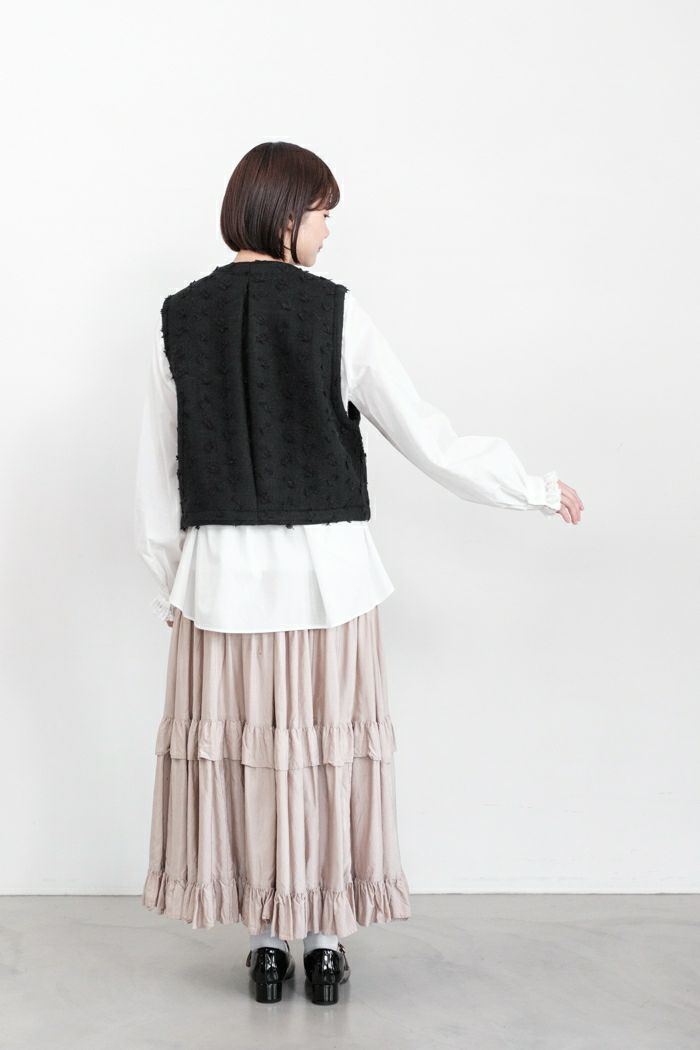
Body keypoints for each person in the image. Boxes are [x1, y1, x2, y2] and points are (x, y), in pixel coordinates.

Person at [134, 140, 584, 1006]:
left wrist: (171, 583)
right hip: (327, 587)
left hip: (220, 587)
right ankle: (324, 945)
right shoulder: (336, 314)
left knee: (246, 765)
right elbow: (427, 437)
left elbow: (157, 479)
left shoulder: (176, 319)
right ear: (284, 215)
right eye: (322, 213)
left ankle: (266, 946)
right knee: (324, 762)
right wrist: (530, 488)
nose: (329, 230)